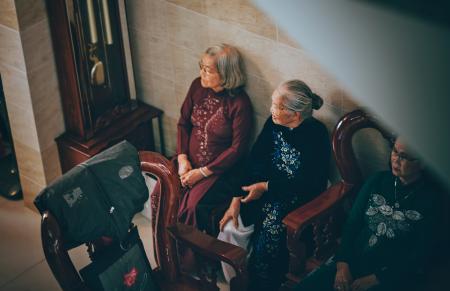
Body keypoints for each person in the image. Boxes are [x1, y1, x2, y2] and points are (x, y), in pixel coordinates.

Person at [218, 79, 331, 290]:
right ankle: (238, 278)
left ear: (295, 114)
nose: (272, 110)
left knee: (270, 236)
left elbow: (310, 183)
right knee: (230, 222)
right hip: (263, 188)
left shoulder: (317, 135)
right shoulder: (273, 122)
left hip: (297, 198)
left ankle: (262, 284)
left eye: (278, 107)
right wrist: (236, 199)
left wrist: (267, 187)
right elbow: (255, 159)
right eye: (273, 103)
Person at [294, 138, 441, 291]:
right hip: (353, 258)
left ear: (423, 162)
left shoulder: (432, 200)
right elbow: (352, 224)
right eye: (395, 151)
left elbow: (420, 253)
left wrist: (377, 279)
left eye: (404, 156)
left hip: (390, 273)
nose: (396, 160)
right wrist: (342, 264)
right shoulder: (377, 180)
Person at [176, 43, 253, 235]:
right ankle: (168, 250)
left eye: (208, 70)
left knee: (192, 207)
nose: (202, 73)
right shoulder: (196, 86)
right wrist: (182, 158)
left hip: (219, 172)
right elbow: (183, 124)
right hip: (189, 163)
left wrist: (202, 172)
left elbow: (238, 149)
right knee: (163, 193)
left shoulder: (239, 103)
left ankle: (193, 260)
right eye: (201, 67)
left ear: (226, 74)